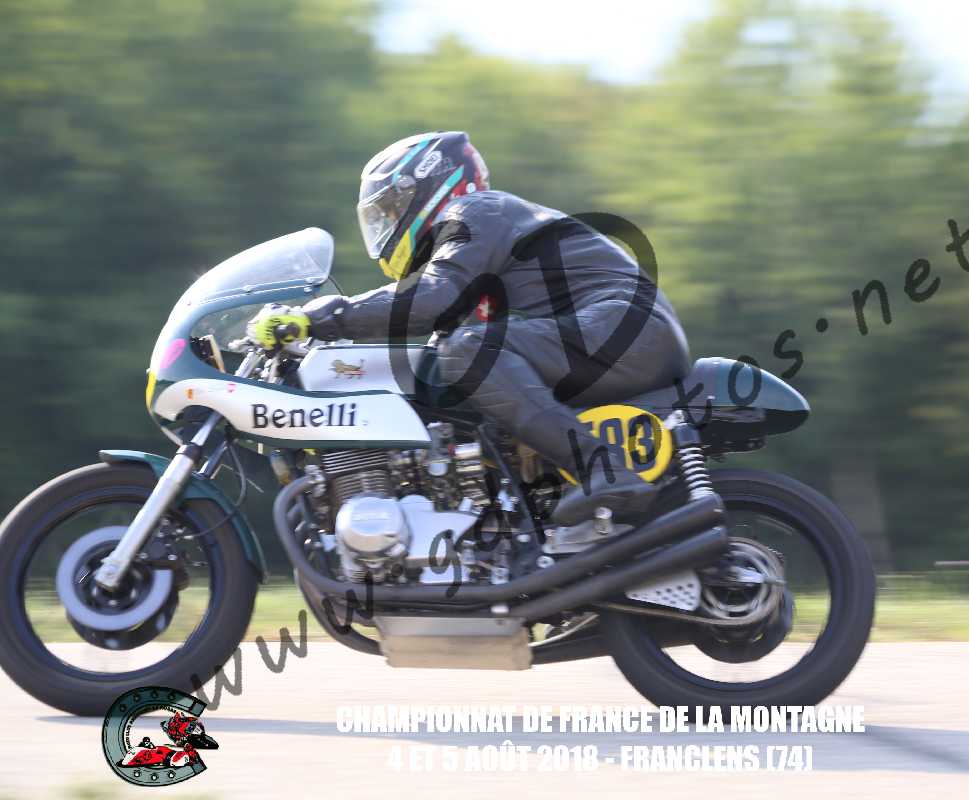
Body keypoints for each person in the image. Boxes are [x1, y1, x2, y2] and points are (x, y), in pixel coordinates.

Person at [247, 131, 691, 524]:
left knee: (469, 350)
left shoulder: (476, 211)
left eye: (392, 208)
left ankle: (603, 469)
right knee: (450, 379)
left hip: (625, 328)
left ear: (430, 186)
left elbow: (428, 299)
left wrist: (319, 318)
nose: (387, 224)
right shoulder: (474, 263)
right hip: (614, 338)